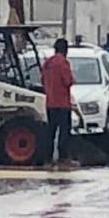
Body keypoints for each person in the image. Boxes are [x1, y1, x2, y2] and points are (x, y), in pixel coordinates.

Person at [41, 37, 75, 166]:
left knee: (51, 131)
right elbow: (68, 81)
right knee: (64, 131)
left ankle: (47, 158)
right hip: (62, 103)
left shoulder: (47, 63)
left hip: (50, 103)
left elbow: (43, 80)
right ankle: (63, 157)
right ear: (65, 50)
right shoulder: (63, 62)